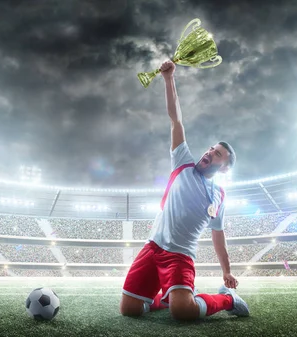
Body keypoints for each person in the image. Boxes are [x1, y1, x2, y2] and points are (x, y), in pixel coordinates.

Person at [119, 60, 249, 321]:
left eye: (217, 154)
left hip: (179, 256)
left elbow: (218, 235)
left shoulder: (219, 196)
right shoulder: (183, 163)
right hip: (153, 247)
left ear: (224, 168)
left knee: (183, 312)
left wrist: (227, 271)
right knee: (129, 310)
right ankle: (172, 297)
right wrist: (169, 79)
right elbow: (175, 119)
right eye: (211, 149)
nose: (209, 153)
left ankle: (227, 299)